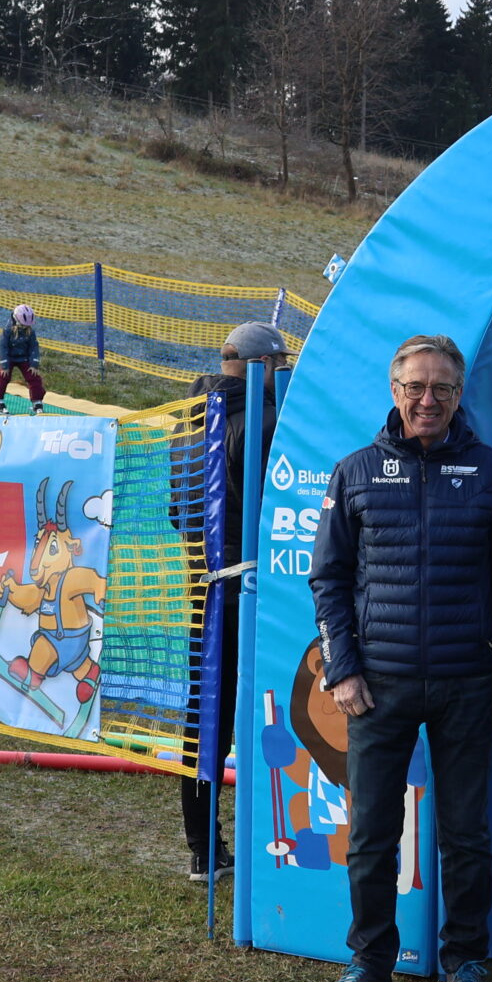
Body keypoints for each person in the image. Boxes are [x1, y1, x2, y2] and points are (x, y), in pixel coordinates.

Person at [309, 333, 492, 982]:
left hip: (470, 684)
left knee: (467, 834)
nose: (427, 399)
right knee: (372, 832)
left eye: (441, 388)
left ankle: (464, 960)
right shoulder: (355, 472)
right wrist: (343, 669)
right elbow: (328, 579)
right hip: (378, 687)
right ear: (395, 390)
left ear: (459, 395)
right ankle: (371, 958)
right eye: (415, 386)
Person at [180, 321, 291, 882]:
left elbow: (179, 510)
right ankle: (264, 840)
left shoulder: (189, 419)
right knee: (267, 712)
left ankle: (202, 846)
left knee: (204, 718)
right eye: (283, 365)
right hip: (253, 588)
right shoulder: (267, 422)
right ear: (264, 366)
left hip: (202, 582)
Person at [0, 305, 46, 414]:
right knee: (3, 376)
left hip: (23, 358)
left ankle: (37, 401)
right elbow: (2, 347)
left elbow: (34, 347)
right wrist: (4, 365)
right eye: (23, 325)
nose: (25, 328)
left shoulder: (30, 332)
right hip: (9, 357)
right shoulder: (8, 331)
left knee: (34, 377)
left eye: (27, 326)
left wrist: (34, 364)